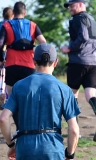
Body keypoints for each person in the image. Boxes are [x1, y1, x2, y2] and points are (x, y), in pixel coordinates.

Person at [0, 43, 80, 160]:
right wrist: (69, 154)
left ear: (33, 60)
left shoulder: (19, 86)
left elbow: (3, 118)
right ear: (55, 62)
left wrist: (11, 145)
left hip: (26, 150)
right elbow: (74, 129)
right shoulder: (64, 89)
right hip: (53, 152)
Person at [61, 0, 96, 142]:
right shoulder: (91, 19)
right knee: (90, 94)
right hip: (95, 62)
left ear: (81, 4)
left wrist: (69, 48)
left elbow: (83, 37)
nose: (70, 8)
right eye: (69, 6)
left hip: (79, 61)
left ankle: (75, 131)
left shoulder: (78, 18)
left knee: (72, 95)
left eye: (72, 5)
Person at [0, 1, 47, 130]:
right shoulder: (33, 25)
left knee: (13, 99)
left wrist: (0, 59)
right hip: (29, 66)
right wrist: (41, 60)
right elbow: (43, 42)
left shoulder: (6, 25)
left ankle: (20, 128)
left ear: (13, 13)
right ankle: (33, 126)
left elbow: (0, 43)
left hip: (12, 66)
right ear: (25, 13)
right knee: (30, 98)